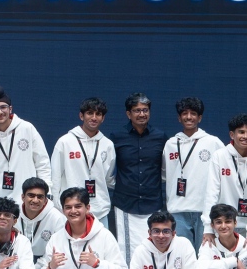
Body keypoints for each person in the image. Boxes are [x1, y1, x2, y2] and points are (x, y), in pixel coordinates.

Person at [38, 188, 125, 269]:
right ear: (63, 210)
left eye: (78, 206)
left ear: (87, 208)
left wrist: (97, 264)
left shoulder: (105, 236)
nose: (73, 211)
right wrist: (51, 268)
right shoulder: (56, 238)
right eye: (68, 207)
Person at [161, 97, 222, 246]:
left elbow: (231, 162)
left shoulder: (212, 142)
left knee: (205, 254)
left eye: (193, 113)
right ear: (179, 118)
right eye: (185, 113)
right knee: (182, 255)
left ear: (199, 118)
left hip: (204, 211)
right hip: (177, 210)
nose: (189, 117)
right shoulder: (170, 144)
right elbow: (164, 174)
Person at [111, 93, 164, 252]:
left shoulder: (160, 137)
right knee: (126, 251)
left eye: (145, 110)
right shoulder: (116, 137)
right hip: (125, 204)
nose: (142, 114)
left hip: (153, 203)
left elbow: (166, 170)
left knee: (155, 249)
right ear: (129, 114)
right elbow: (108, 170)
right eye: (137, 110)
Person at [50, 98, 116, 226]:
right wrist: (58, 205)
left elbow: (109, 178)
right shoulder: (65, 142)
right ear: (81, 116)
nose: (94, 117)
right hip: (71, 210)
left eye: (98, 114)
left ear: (103, 118)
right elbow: (55, 176)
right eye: (90, 113)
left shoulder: (108, 145)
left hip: (99, 211)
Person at [0, 88, 50, 204]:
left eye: (3, 107)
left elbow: (42, 164)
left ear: (10, 109)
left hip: (28, 203)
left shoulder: (27, 129)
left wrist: (46, 193)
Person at [16, 178, 58, 257]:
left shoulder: (57, 218)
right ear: (23, 197)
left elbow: (58, 250)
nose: (35, 200)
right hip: (16, 260)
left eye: (40, 197)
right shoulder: (12, 214)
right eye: (31, 195)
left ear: (45, 200)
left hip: (45, 262)